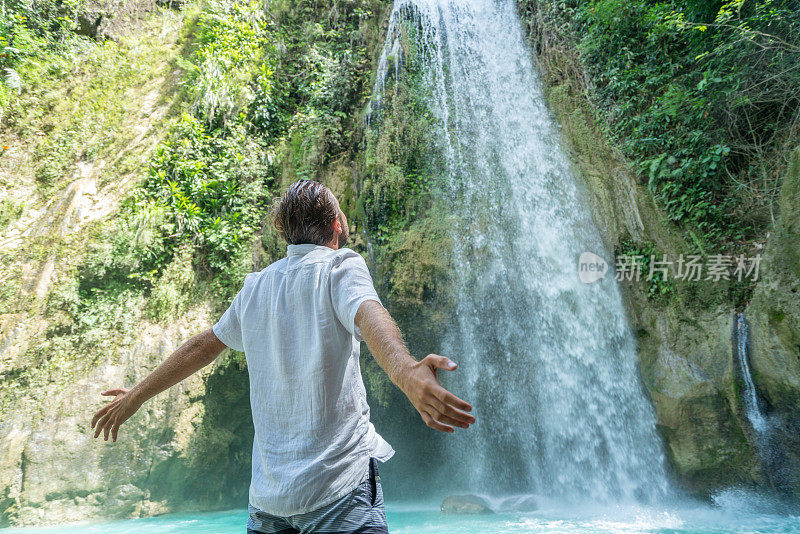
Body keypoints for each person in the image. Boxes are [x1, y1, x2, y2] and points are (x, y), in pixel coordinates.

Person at [91, 179, 475, 533]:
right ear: (338, 226)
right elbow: (367, 313)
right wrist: (405, 370)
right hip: (338, 490)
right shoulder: (340, 266)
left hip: (269, 504)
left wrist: (135, 396)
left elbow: (201, 346)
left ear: (283, 233)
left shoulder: (256, 287)